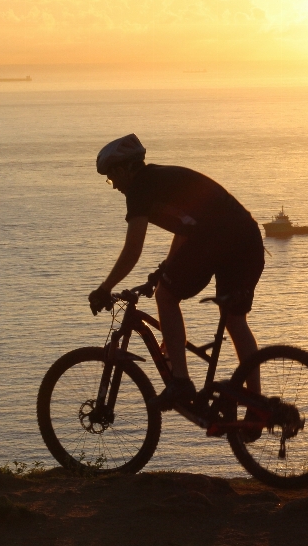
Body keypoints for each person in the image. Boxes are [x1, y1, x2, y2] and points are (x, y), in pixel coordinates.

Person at [88, 134, 265, 412]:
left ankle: (180, 382)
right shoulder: (162, 179)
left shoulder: (140, 189)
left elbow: (132, 250)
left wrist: (104, 288)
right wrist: (164, 270)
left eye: (111, 179)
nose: (114, 187)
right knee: (234, 320)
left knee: (166, 298)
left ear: (123, 170)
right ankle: (258, 405)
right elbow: (185, 228)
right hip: (247, 240)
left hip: (218, 240)